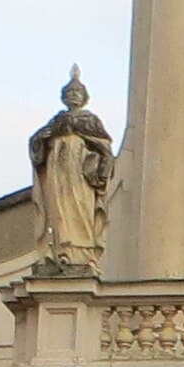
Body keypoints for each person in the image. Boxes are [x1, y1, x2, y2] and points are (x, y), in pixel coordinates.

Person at [26, 69, 113, 271]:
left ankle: (82, 254)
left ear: (84, 97)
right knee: (59, 208)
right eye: (70, 92)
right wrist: (42, 140)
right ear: (64, 97)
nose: (73, 95)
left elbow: (104, 148)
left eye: (77, 92)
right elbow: (37, 142)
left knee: (81, 208)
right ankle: (61, 251)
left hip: (81, 173)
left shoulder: (90, 121)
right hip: (58, 170)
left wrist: (100, 172)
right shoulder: (57, 122)